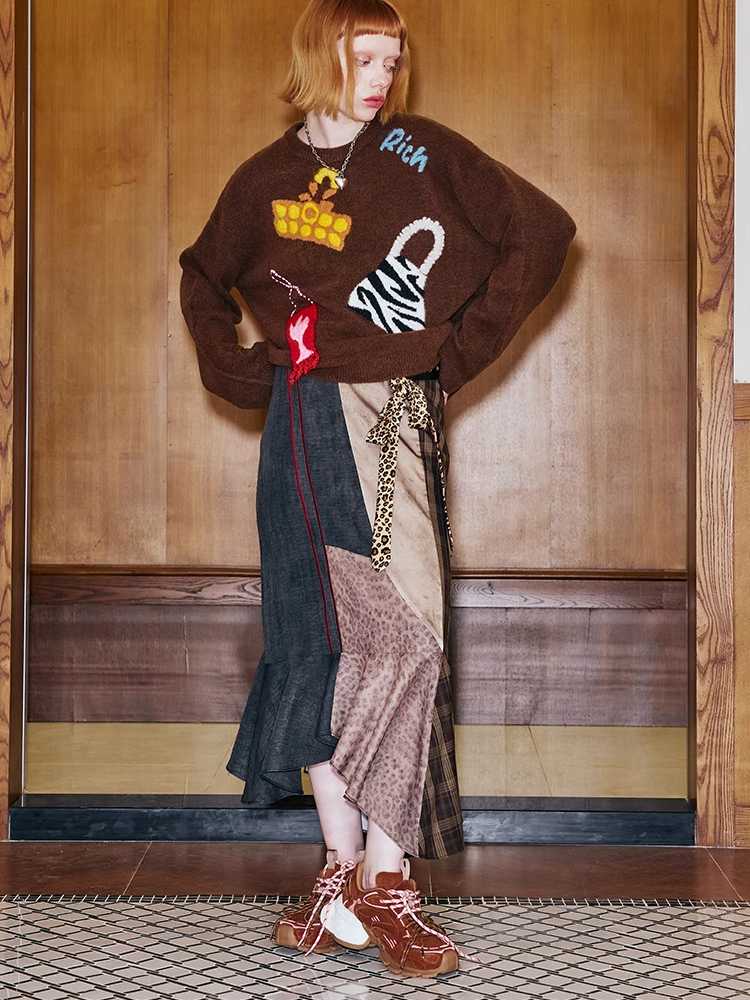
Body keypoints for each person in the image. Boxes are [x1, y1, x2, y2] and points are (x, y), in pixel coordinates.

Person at [178, 0, 576, 978]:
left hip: (388, 420)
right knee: (311, 641)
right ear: (320, 56)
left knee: (404, 638)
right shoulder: (265, 179)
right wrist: (245, 371)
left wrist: (446, 358)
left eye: (392, 61)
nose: (382, 78)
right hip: (298, 422)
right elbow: (201, 275)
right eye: (365, 59)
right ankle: (339, 871)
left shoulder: (421, 154)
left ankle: (386, 883)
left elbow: (543, 232)